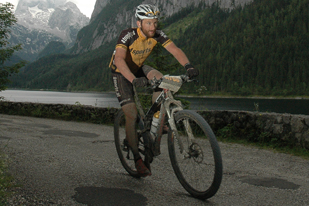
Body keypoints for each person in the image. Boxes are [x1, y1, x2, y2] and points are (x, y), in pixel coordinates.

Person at [109, 4, 199, 177]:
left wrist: (188, 66)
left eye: (155, 23)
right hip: (121, 73)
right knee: (131, 114)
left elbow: (175, 50)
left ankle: (156, 119)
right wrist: (134, 80)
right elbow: (119, 60)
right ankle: (137, 159)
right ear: (139, 22)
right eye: (148, 23)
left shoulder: (157, 34)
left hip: (139, 67)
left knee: (161, 79)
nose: (153, 27)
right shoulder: (128, 35)